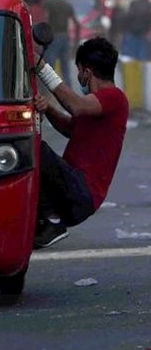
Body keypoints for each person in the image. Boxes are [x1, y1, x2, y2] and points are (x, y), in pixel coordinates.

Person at [32, 37, 129, 248]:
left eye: (79, 71)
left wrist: (41, 67)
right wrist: (47, 108)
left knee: (34, 148)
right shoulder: (94, 106)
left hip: (82, 191)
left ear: (86, 72)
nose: (78, 77)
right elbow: (69, 128)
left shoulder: (114, 98)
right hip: (72, 186)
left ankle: (53, 221)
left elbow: (75, 105)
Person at [42, 0, 81, 78]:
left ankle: (50, 91)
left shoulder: (48, 2)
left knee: (49, 68)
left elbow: (46, 19)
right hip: (65, 38)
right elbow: (77, 24)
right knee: (66, 69)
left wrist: (43, 39)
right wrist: (76, 42)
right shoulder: (66, 4)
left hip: (53, 37)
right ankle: (68, 89)